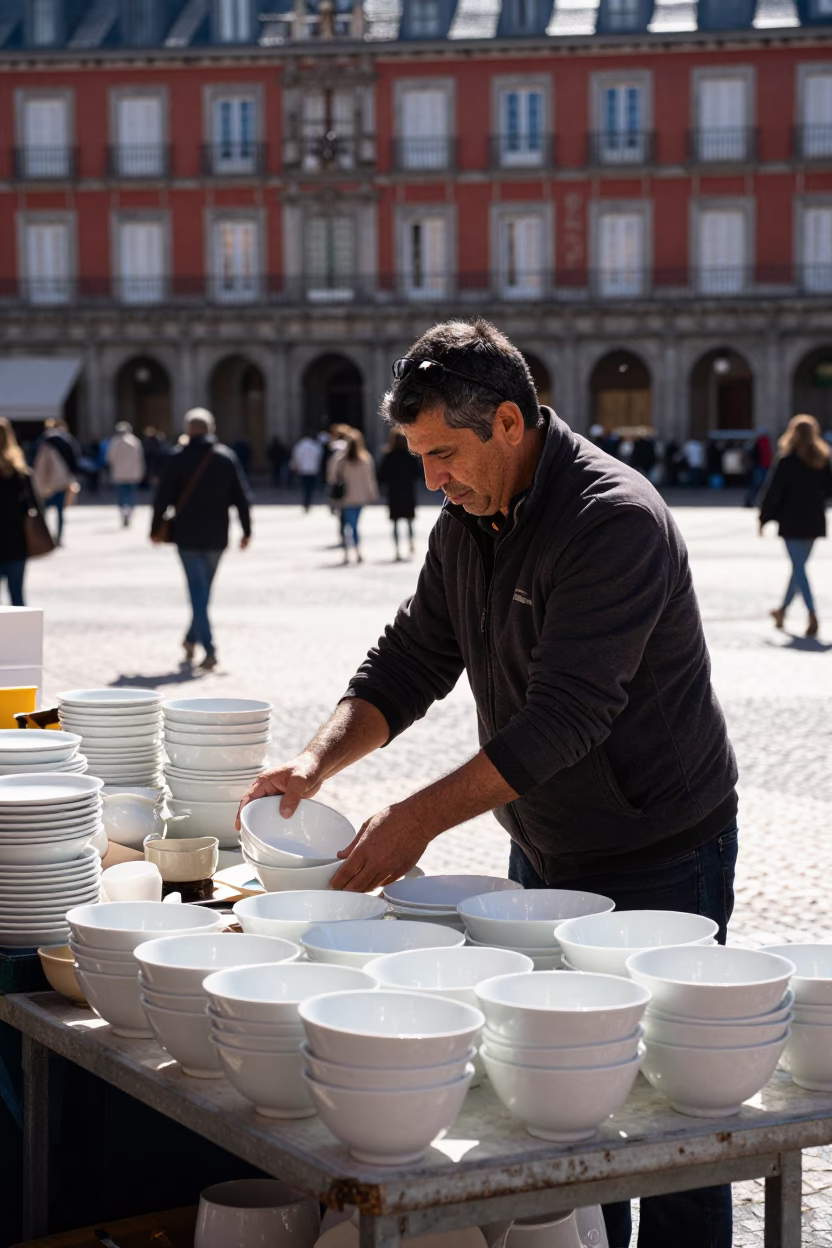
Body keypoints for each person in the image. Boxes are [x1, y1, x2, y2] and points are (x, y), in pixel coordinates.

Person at [239, 320, 738, 1248]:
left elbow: (568, 717)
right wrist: (317, 760)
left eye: (444, 454)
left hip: (663, 849)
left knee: (675, 1128)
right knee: (574, 1102)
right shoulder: (467, 519)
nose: (432, 479)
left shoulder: (611, 521)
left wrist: (417, 819)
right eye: (419, 457)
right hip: (546, 845)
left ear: (509, 421)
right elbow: (410, 659)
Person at [151, 408, 252, 671]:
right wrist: (246, 530)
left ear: (187, 430)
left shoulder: (177, 457)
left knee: (198, 593)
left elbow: (162, 497)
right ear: (212, 429)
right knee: (203, 593)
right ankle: (192, 640)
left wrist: (154, 528)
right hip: (217, 536)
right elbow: (241, 497)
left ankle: (207, 648)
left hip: (186, 536)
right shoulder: (225, 457)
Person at [758, 413, 832, 639]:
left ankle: (812, 613)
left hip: (791, 521)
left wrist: (764, 517)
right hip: (813, 520)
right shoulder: (822, 459)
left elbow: (774, 492)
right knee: (797, 569)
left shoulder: (786, 460)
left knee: (799, 569)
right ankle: (782, 611)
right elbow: (830, 489)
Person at [0, 417, 45, 605]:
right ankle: (18, 635)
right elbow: (34, 506)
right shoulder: (20, 473)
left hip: (13, 541)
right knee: (17, 597)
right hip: (16, 541)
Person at [327, 431, 379, 564]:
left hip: (345, 498)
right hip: (360, 497)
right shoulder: (366, 459)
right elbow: (370, 480)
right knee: (355, 525)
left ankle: (347, 552)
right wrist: (373, 494)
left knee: (347, 526)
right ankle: (357, 551)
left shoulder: (340, 459)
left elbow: (332, 477)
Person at [33, 419, 80, 545]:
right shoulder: (67, 442)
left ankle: (46, 536)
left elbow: (34, 464)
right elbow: (75, 462)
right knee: (60, 511)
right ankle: (59, 536)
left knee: (45, 510)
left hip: (46, 482)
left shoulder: (41, 443)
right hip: (62, 481)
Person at [378, 430, 421, 559]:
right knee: (409, 521)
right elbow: (417, 473)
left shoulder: (388, 455)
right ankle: (411, 544)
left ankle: (397, 550)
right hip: (407, 491)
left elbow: (381, 475)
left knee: (395, 522)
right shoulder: (410, 456)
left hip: (394, 492)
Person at [106, 422, 146, 527]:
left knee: (122, 495)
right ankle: (129, 511)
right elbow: (140, 459)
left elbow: (110, 458)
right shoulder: (135, 441)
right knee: (131, 494)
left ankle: (124, 511)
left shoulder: (114, 442)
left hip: (119, 474)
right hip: (133, 474)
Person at [290, 433, 324, 511]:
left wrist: (296, 466)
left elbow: (296, 457)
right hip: (312, 470)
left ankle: (306, 501)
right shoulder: (315, 446)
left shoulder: (300, 446)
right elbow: (319, 457)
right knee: (310, 488)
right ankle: (308, 500)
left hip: (303, 470)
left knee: (305, 487)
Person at [744, 431, 773, 507]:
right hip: (761, 467)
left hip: (761, 466)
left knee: (757, 485)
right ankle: (754, 501)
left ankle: (752, 501)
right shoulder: (761, 444)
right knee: (758, 485)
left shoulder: (759, 444)